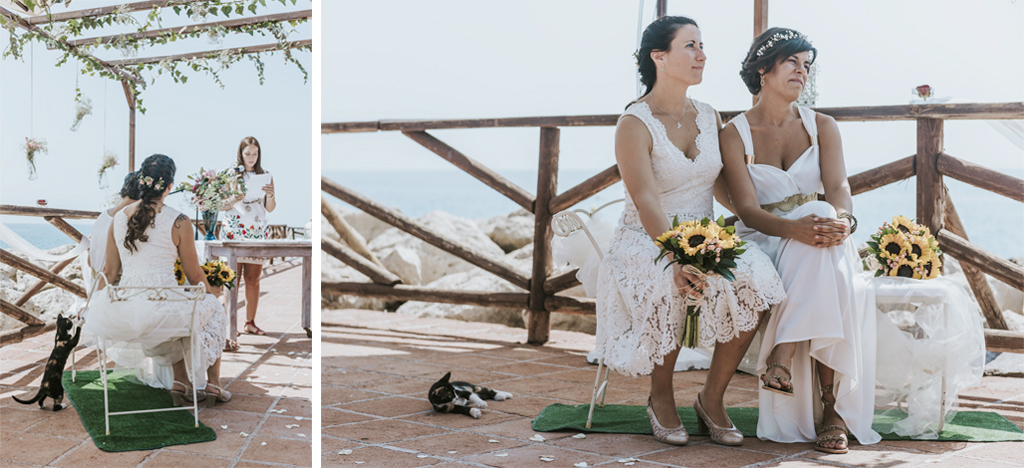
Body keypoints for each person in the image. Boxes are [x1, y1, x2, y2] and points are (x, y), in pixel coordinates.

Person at [594, 16, 785, 446]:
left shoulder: (709, 114)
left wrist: (760, 220)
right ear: (659, 57)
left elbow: (717, 183)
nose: (702, 55)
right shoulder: (633, 124)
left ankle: (711, 399)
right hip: (647, 238)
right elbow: (646, 200)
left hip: (705, 235)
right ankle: (660, 397)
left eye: (702, 46)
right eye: (691, 46)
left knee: (758, 278)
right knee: (672, 284)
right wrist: (677, 257)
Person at [719, 28, 881, 453]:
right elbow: (748, 211)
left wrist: (845, 220)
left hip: (820, 237)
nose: (801, 72)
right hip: (765, 237)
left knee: (824, 217)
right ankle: (832, 409)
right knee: (818, 238)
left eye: (806, 65)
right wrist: (794, 228)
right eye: (792, 62)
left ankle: (781, 358)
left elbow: (839, 188)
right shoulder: (733, 133)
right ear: (762, 69)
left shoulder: (823, 126)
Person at [82, 154, 231, 405]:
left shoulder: (118, 219)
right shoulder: (180, 221)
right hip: (164, 304)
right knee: (215, 308)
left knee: (175, 316)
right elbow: (194, 275)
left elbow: (108, 272)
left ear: (142, 182)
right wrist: (213, 292)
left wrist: (91, 306)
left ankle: (181, 381)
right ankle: (214, 383)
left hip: (126, 307)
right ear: (169, 187)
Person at [222, 136, 276, 336]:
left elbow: (269, 208)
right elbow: (223, 206)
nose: (251, 158)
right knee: (231, 279)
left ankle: (250, 322)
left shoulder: (266, 175)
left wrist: (270, 195)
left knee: (253, 279)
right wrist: (233, 198)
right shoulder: (230, 175)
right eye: (247, 154)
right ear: (241, 154)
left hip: (257, 231)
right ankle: (230, 324)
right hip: (235, 231)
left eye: (255, 154)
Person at [88, 171, 141, 275]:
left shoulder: (103, 215)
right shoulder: (126, 220)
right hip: (113, 282)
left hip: (95, 279)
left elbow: (89, 260)